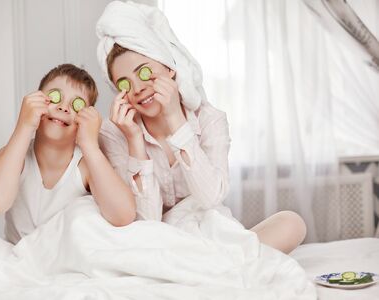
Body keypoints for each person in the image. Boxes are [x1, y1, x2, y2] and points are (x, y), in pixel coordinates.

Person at [96, 1, 306, 254]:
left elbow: (210, 198)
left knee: (292, 224)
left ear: (170, 68)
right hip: (160, 245)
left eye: (143, 73)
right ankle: (219, 268)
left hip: (212, 235)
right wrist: (135, 143)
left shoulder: (210, 119)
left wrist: (176, 118)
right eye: (124, 85)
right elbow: (146, 221)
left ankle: (211, 267)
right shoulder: (115, 132)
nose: (138, 89)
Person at [0, 63, 136, 244]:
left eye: (76, 105)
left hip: (63, 262)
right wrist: (24, 125)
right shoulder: (15, 156)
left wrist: (90, 144)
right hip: (18, 258)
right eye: (55, 97)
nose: (64, 108)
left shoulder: (85, 165)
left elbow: (123, 216)